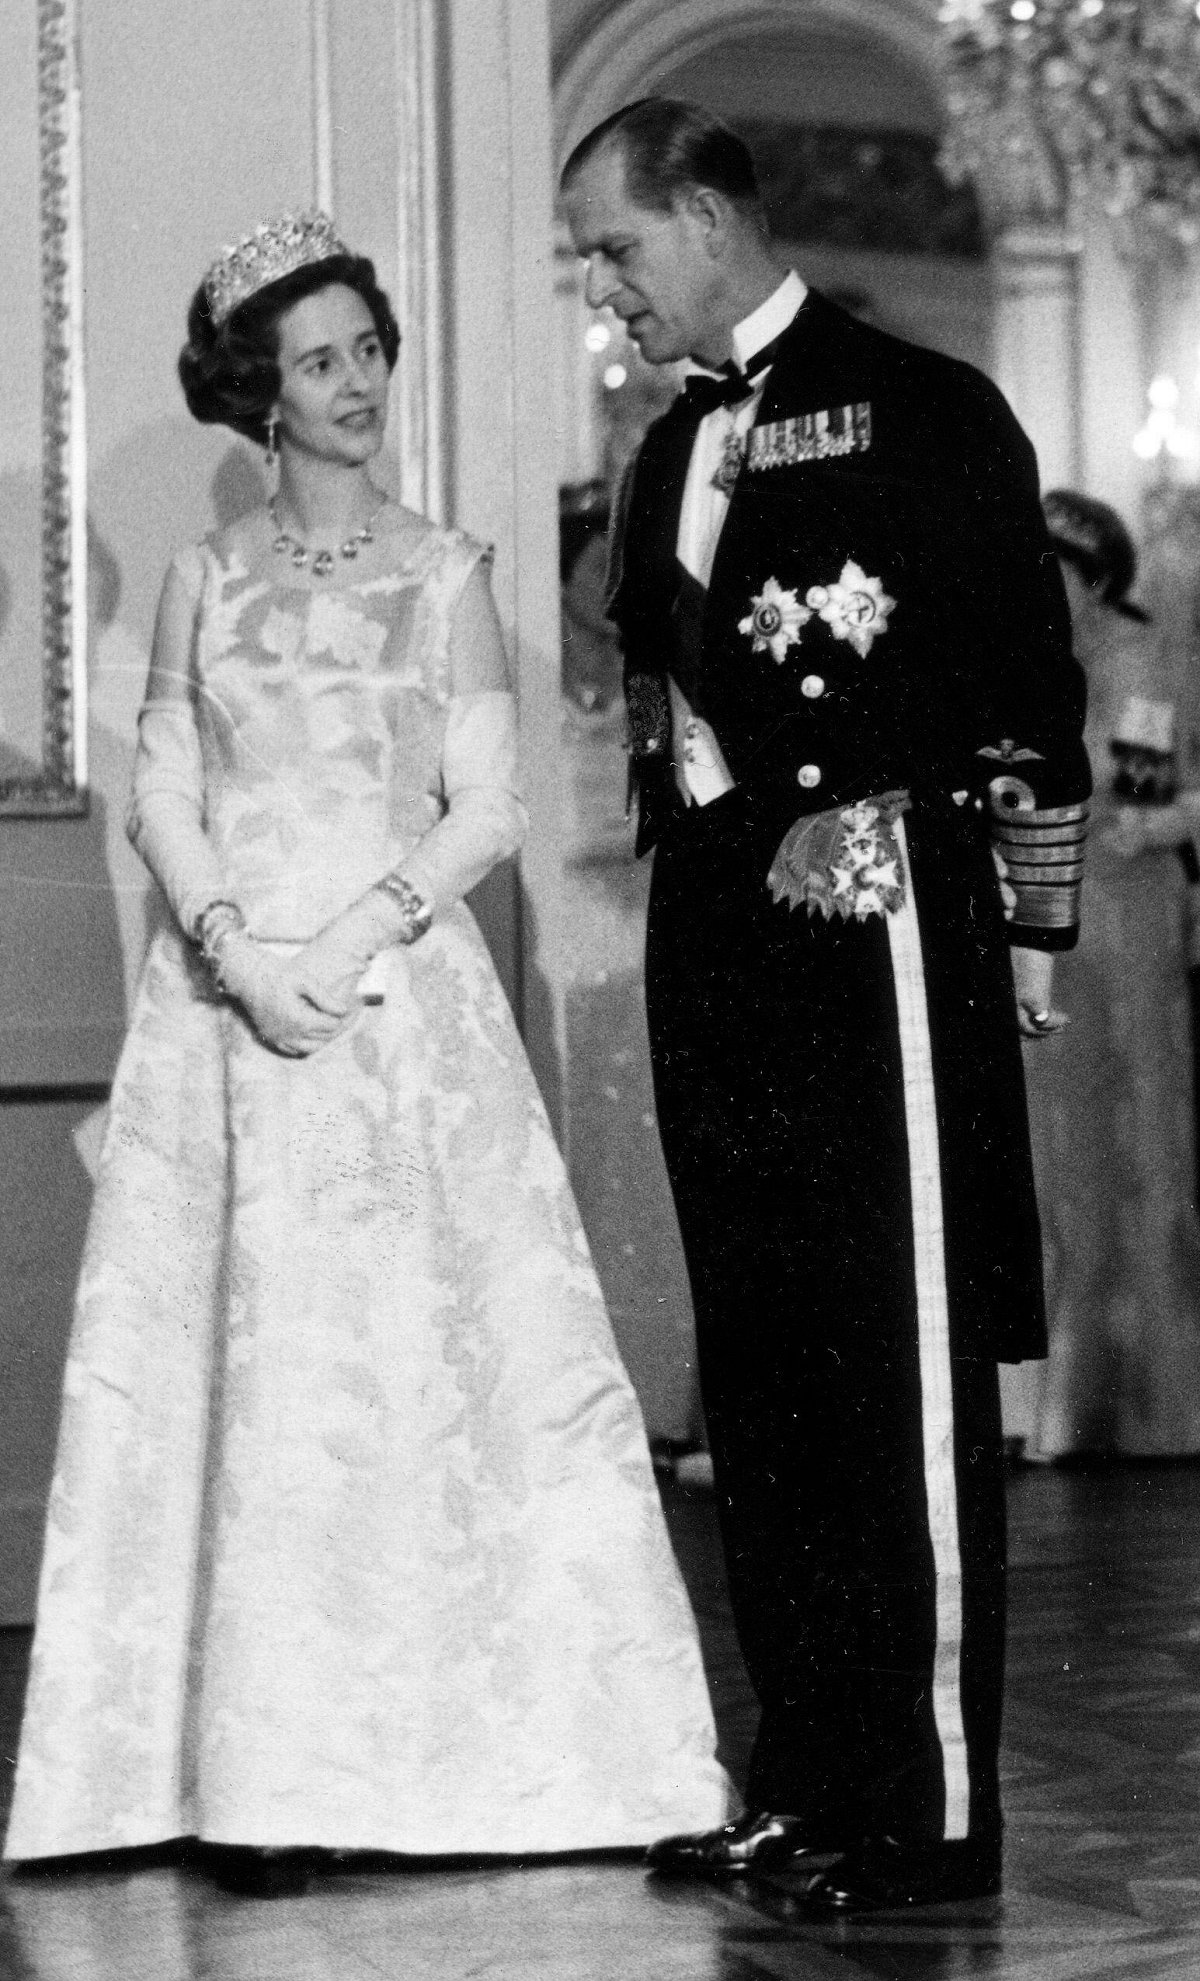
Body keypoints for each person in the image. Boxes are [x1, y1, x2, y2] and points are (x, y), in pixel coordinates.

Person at [3, 212, 730, 1895]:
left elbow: (487, 806)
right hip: (228, 1015)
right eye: (319, 360)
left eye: (368, 350)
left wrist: (335, 950)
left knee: (406, 1372)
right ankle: (258, 1770)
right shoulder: (204, 577)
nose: (356, 384)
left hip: (395, 1010)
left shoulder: (447, 570)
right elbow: (166, 786)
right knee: (255, 1379)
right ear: (258, 391)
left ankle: (447, 1757)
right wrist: (237, 953)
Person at [561, 100, 1091, 1912]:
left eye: (619, 249)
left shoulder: (926, 408)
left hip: (877, 927)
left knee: (895, 1370)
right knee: (769, 1378)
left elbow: (1022, 684)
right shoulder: (667, 448)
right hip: (719, 937)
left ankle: (923, 1814)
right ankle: (806, 1782)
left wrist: (1022, 927)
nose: (606, 290)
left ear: (710, 218)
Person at [1022, 491, 1200, 1456]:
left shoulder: (1144, 663)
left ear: (1094, 579)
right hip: (1056, 928)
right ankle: (1074, 1398)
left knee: (1144, 1143)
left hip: (1129, 922)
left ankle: (1155, 1403)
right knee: (1067, 1154)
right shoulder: (1029, 665)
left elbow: (1143, 792)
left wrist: (1156, 819)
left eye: (1055, 572)